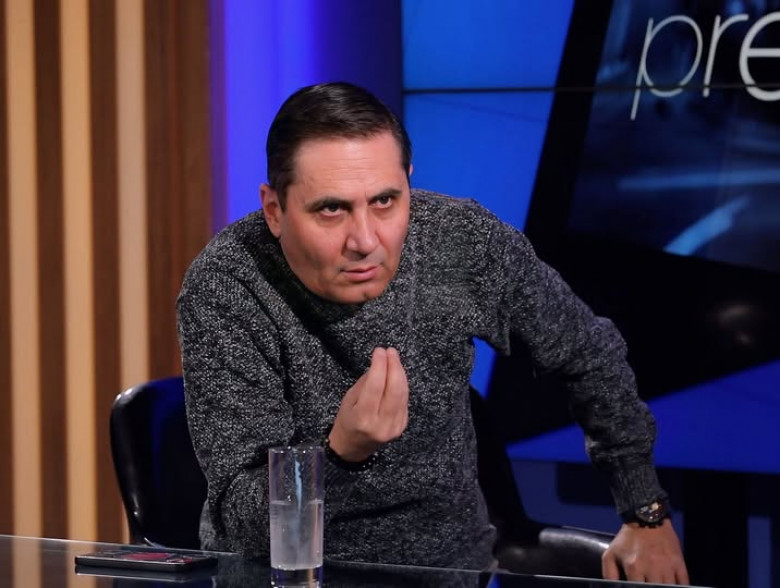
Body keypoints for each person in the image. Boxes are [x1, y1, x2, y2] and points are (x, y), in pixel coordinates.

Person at [177, 82, 688, 584]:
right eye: (332, 209)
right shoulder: (226, 286)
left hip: (447, 573)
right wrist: (340, 454)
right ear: (274, 210)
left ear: (409, 185)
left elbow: (589, 352)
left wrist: (644, 509)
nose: (365, 240)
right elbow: (243, 524)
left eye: (385, 201)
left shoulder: (460, 241)